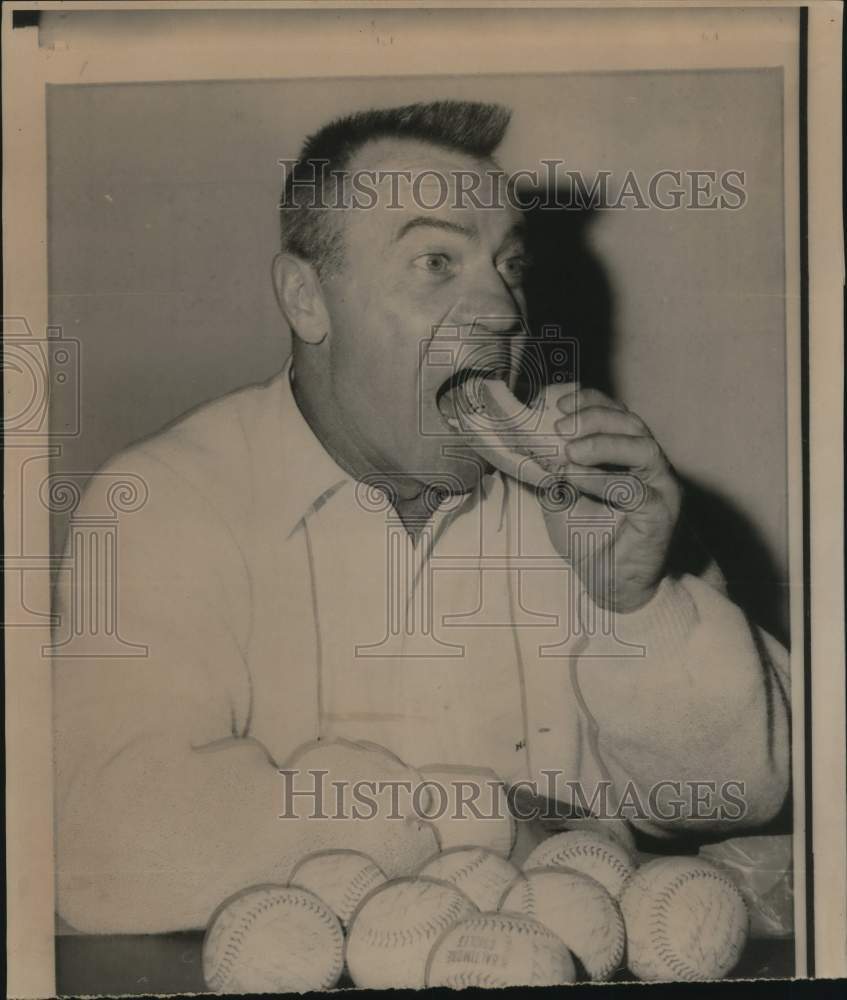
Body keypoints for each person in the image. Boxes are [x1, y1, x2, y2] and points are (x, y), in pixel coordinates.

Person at [54, 100, 790, 933]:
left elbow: (743, 794)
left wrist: (639, 600)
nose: (504, 312)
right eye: (436, 260)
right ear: (307, 299)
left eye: (508, 267)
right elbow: (104, 845)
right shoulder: (166, 501)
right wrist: (485, 822)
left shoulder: (587, 501)